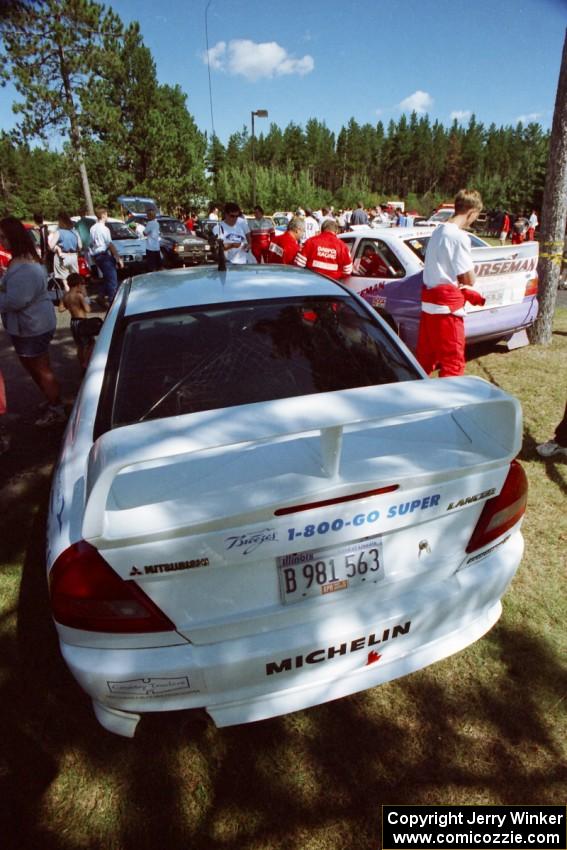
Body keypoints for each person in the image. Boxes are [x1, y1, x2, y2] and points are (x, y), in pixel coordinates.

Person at [0, 216, 66, 427]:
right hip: (30, 324)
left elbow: (17, 300)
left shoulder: (24, 266)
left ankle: (57, 407)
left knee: (40, 368)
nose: (2, 241)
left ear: (14, 237)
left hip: (32, 326)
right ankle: (52, 401)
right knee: (35, 367)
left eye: (4, 237)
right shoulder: (23, 261)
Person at [415, 189, 485, 378]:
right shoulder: (459, 236)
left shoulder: (438, 230)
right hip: (447, 310)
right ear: (471, 212)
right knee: (453, 363)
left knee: (424, 359)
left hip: (429, 306)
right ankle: (449, 404)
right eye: (475, 216)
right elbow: (468, 278)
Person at [58, 272, 100, 371]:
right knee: (91, 343)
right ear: (78, 284)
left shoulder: (66, 296)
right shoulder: (79, 295)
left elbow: (60, 309)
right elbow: (88, 310)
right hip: (82, 322)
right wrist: (85, 297)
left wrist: (70, 306)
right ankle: (86, 363)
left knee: (80, 346)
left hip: (73, 322)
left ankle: (82, 364)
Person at [89, 208, 124, 305]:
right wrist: (118, 258)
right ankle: (113, 302)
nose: (107, 216)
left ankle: (100, 295)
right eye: (106, 214)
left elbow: (91, 244)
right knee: (113, 280)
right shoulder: (104, 229)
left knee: (107, 278)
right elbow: (110, 244)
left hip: (97, 255)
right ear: (103, 215)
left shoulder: (92, 228)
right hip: (104, 255)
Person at [49, 211, 82, 291]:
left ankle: (69, 298)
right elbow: (80, 246)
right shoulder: (75, 232)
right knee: (75, 280)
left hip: (62, 257)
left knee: (65, 281)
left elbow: (50, 246)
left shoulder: (59, 232)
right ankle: (78, 296)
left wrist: (57, 248)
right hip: (73, 257)